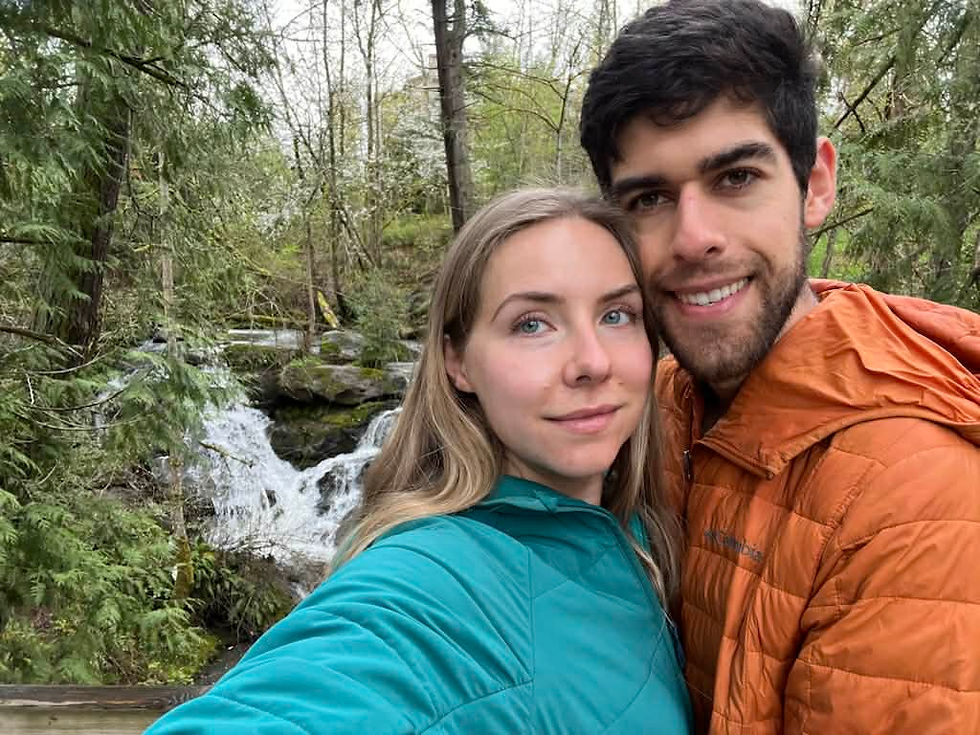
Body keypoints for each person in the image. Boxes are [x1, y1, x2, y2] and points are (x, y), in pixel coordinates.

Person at [145, 189, 693, 734]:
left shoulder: (634, 525)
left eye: (617, 314)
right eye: (532, 324)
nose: (593, 362)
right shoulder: (435, 583)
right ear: (457, 361)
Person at [579, 0, 980, 732]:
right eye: (649, 198)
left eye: (735, 177)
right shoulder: (658, 398)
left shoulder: (915, 503)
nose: (694, 237)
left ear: (815, 183)